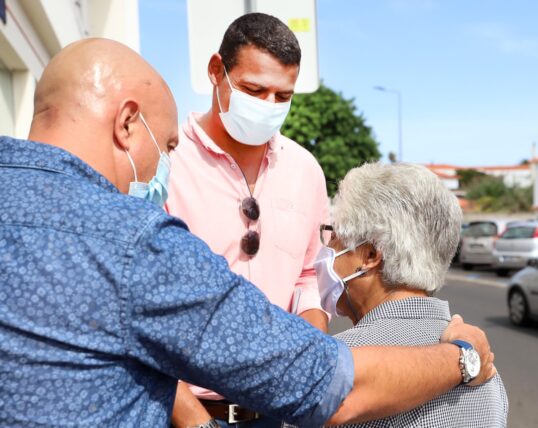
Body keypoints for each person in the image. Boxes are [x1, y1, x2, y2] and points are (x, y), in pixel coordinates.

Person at [0, 38, 497, 427]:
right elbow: (329, 386)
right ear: (128, 123)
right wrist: (463, 358)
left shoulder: (301, 169)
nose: (165, 163)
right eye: (166, 145)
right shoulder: (135, 244)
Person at [165, 13, 333, 425]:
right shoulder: (167, 165)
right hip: (187, 413)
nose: (268, 107)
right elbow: (141, 307)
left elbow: (310, 275)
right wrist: (195, 421)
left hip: (276, 410)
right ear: (215, 72)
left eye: (282, 96)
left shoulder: (304, 169)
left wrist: (308, 358)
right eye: (253, 90)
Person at [315, 163, 509, 427]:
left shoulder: (334, 368)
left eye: (334, 236)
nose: (327, 247)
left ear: (370, 255)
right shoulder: (486, 371)